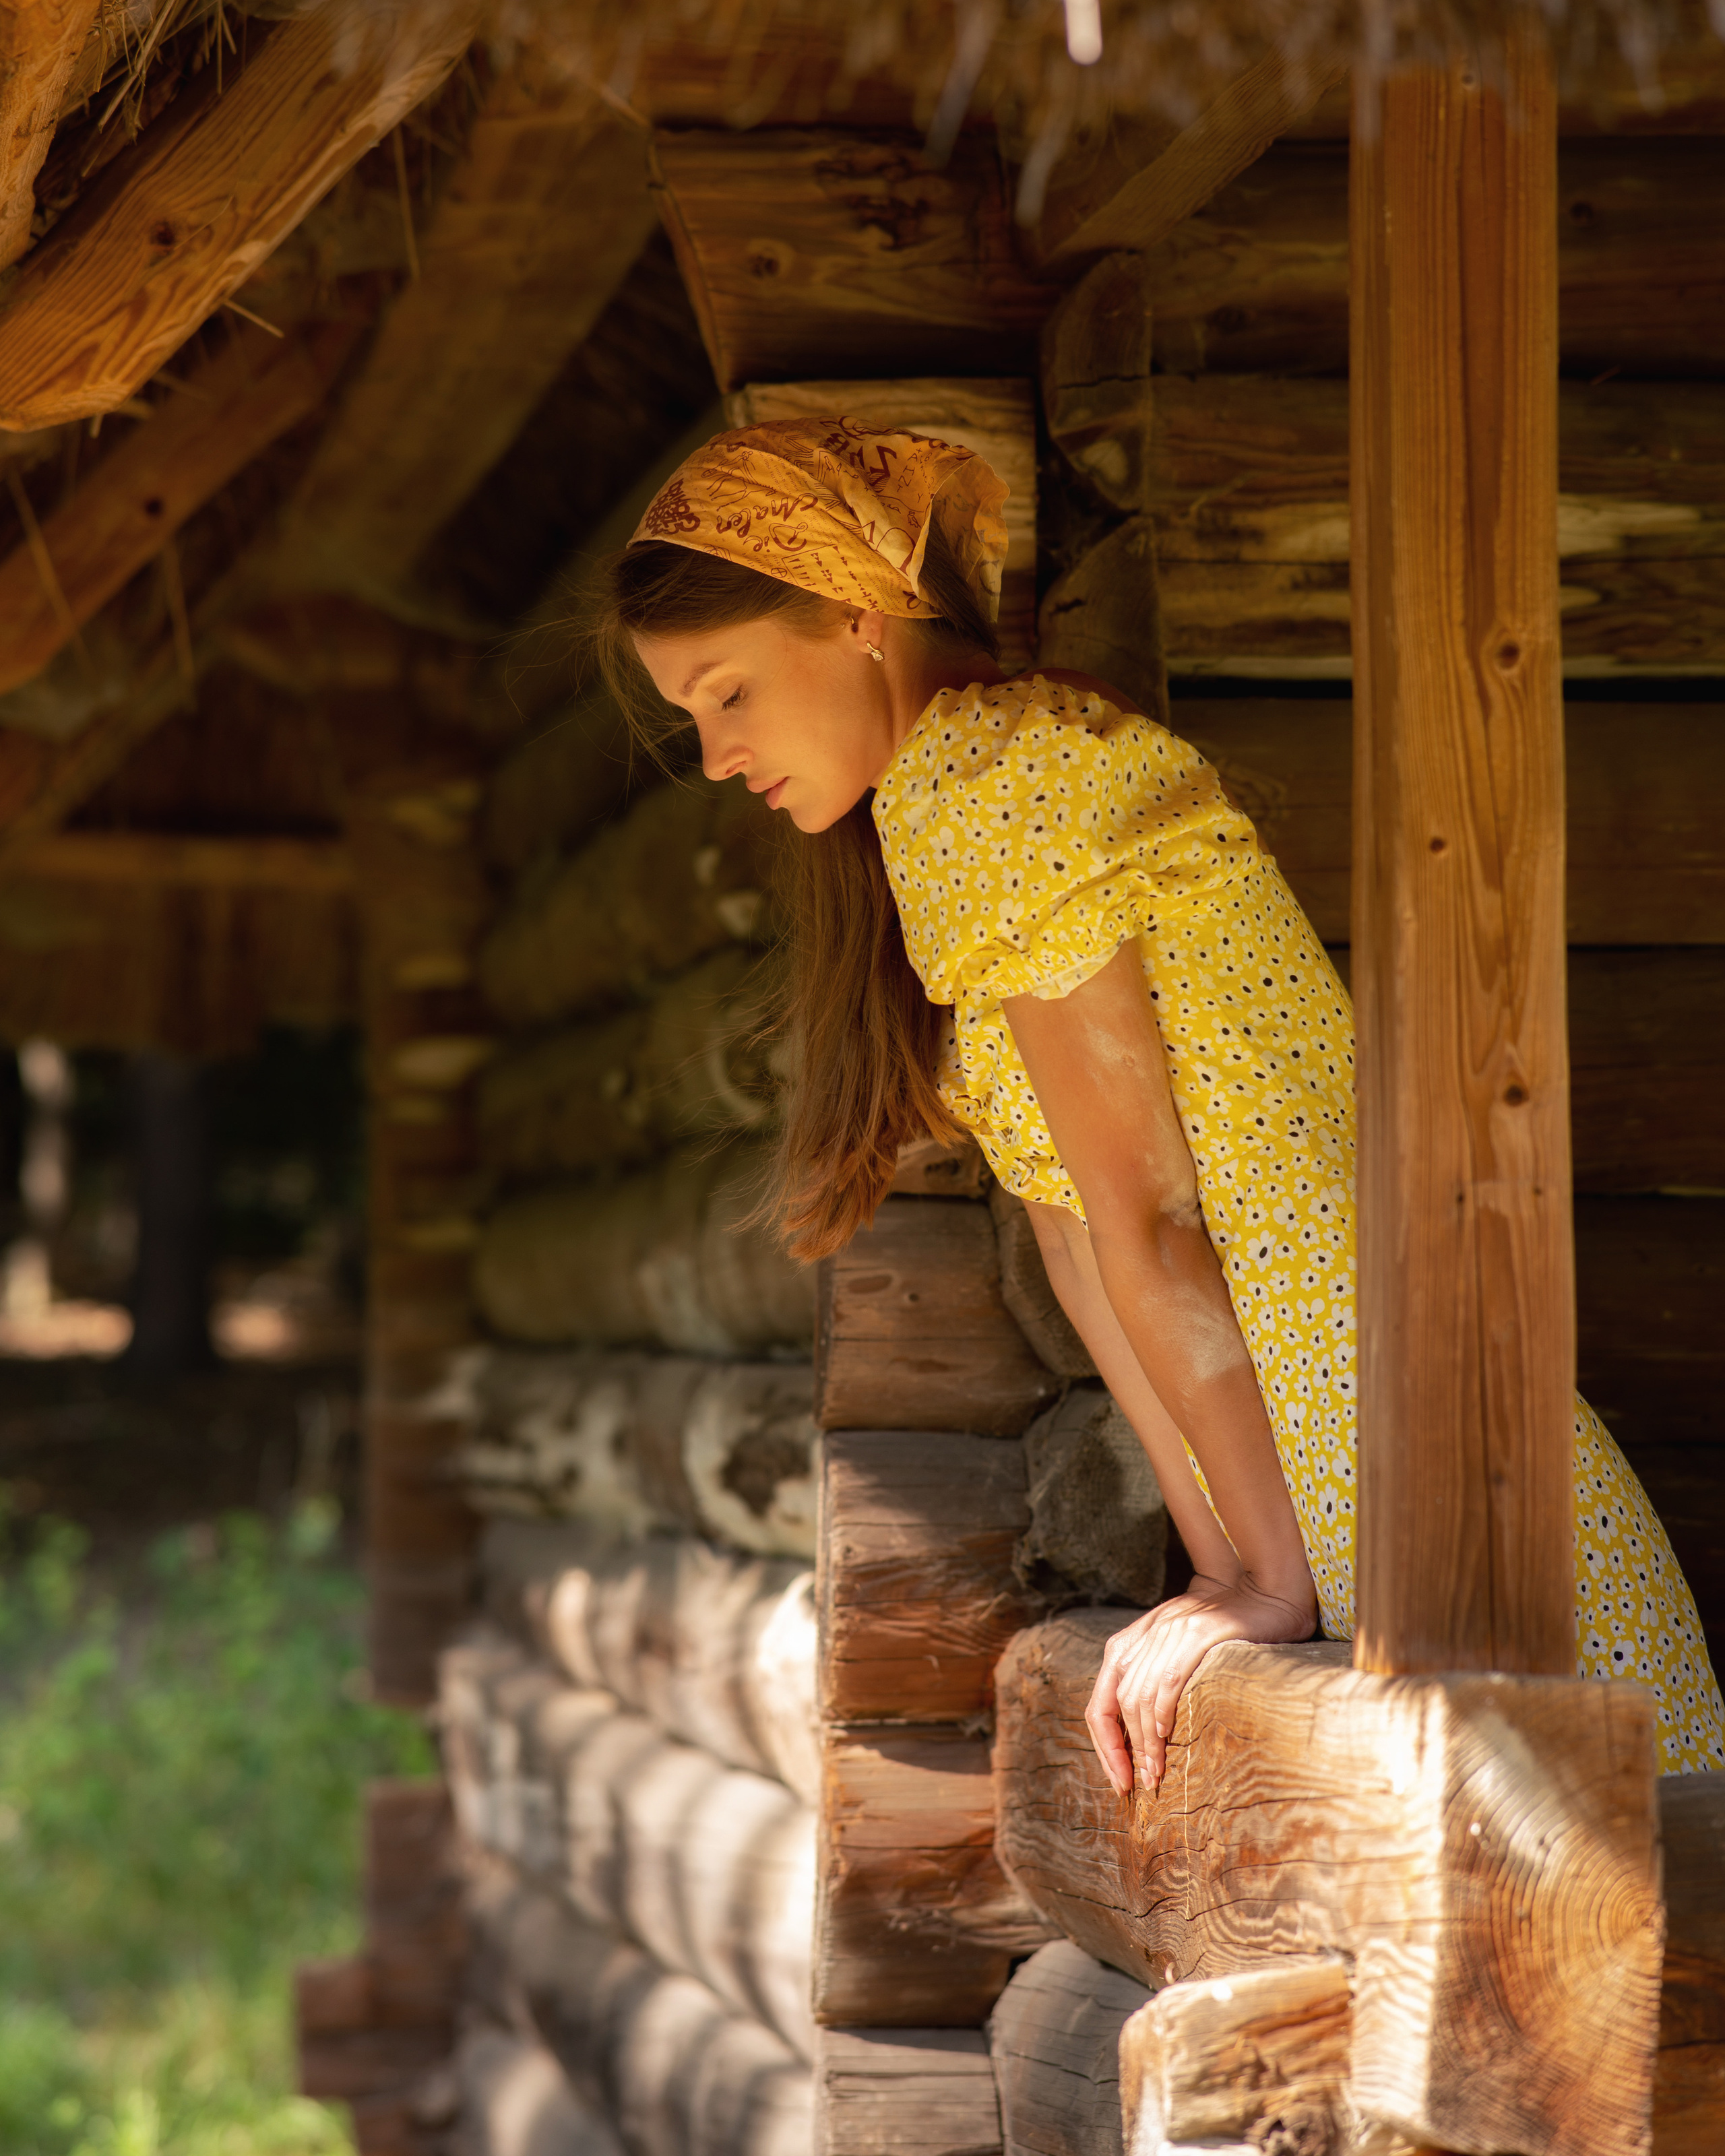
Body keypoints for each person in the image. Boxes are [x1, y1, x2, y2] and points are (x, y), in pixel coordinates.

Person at [592, 416, 1724, 1784]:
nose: (717, 758)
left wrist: (1258, 1584)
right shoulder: (953, 801)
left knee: (1624, 1929)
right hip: (1376, 1454)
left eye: (726, 694)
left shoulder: (993, 781)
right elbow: (1078, 1242)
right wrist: (1234, 1570)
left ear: (851, 616)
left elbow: (1145, 1216)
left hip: (1412, 1457)